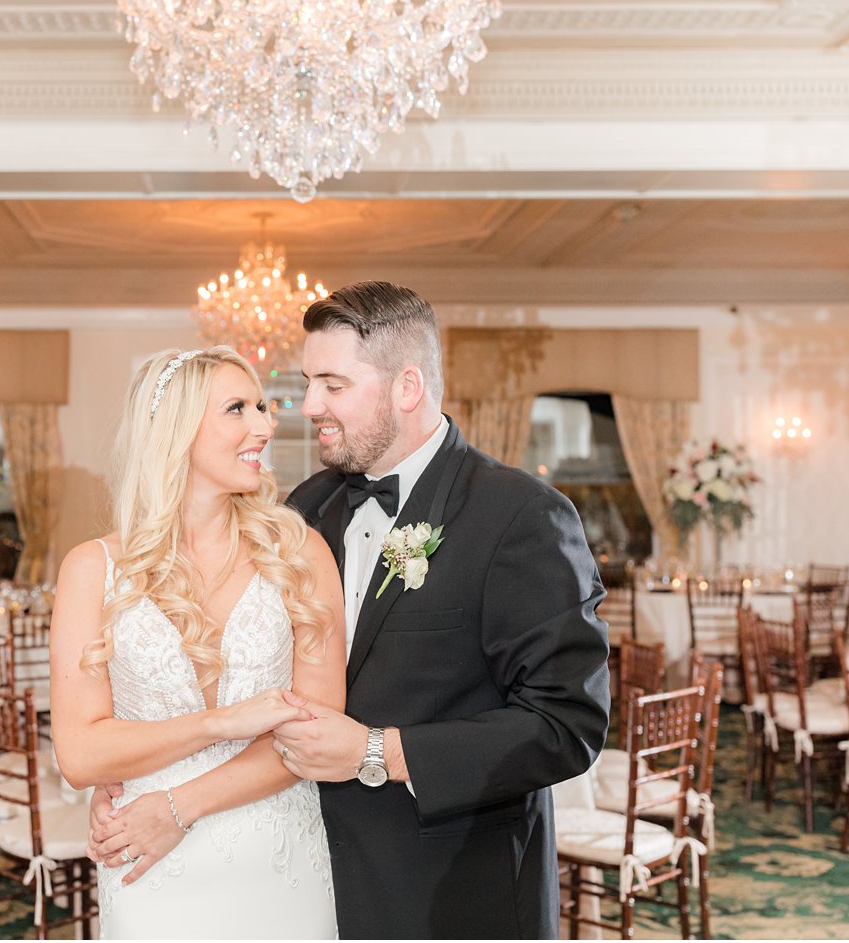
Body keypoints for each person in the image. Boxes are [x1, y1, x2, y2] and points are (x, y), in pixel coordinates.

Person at [272, 280, 610, 938]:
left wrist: (379, 750)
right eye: (309, 382)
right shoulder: (306, 507)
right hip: (309, 876)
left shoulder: (522, 516)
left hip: (454, 893)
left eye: (333, 384)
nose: (310, 404)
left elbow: (567, 723)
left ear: (407, 387)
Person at [50, 346, 347, 940]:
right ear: (175, 431)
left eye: (261, 407)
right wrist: (222, 723)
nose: (266, 425)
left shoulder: (300, 553)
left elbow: (318, 731)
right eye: (237, 408)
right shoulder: (92, 569)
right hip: (147, 862)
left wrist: (178, 807)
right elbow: (80, 757)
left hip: (277, 855)